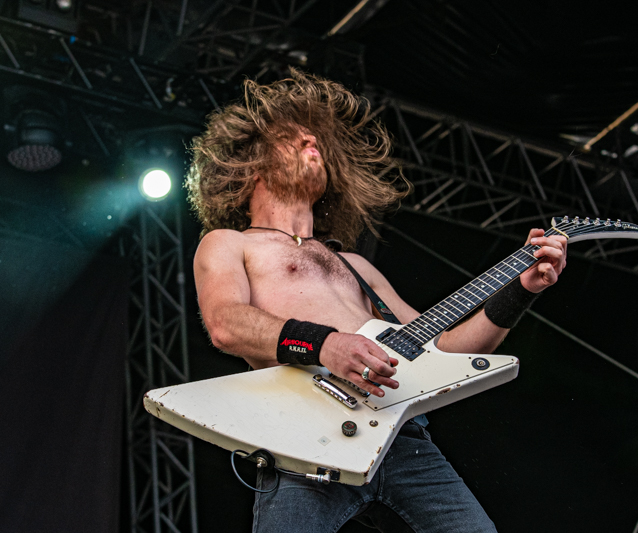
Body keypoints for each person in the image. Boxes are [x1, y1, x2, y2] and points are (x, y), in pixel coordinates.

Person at [185, 71, 567, 533]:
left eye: (316, 140)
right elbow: (226, 323)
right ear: (252, 165)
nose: (312, 142)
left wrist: (521, 290)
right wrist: (326, 345)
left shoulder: (355, 266)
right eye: (293, 138)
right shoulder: (228, 243)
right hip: (304, 441)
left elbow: (447, 350)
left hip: (402, 438)